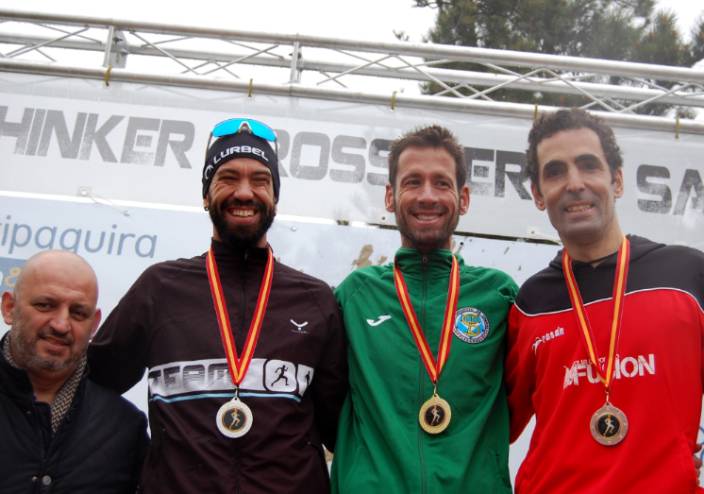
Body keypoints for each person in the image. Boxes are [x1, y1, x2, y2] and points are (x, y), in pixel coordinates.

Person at [88, 117, 347, 494]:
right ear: (206, 195)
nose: (244, 192)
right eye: (227, 178)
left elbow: (343, 429)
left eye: (260, 180)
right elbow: (93, 384)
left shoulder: (315, 299)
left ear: (275, 197)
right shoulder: (160, 288)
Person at [506, 108, 704, 493]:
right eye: (555, 172)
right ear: (538, 195)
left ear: (617, 181)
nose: (574, 183)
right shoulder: (530, 303)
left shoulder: (687, 277)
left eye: (588, 165)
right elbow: (489, 425)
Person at [331, 125, 517, 493]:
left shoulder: (499, 296)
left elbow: (522, 402)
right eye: (413, 182)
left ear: (464, 198)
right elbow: (327, 404)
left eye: (442, 183)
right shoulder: (355, 296)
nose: (427, 196)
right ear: (390, 197)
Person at [0, 250, 148, 493]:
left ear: (94, 324)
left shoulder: (125, 428)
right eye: (45, 305)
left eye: (78, 313)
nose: (61, 325)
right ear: (9, 308)